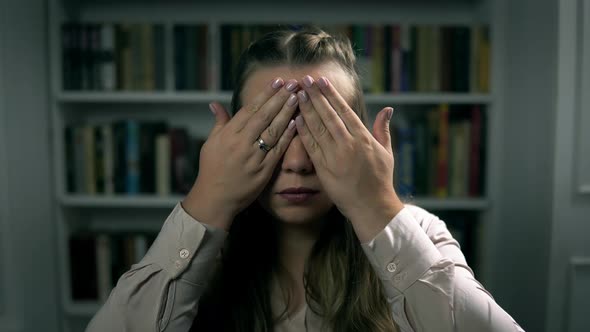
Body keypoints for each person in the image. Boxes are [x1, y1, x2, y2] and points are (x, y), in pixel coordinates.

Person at [85, 26, 524, 332]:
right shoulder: (198, 244)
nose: (296, 162)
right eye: (270, 129)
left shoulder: (422, 232)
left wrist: (376, 208)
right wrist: (207, 200)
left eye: (321, 128)